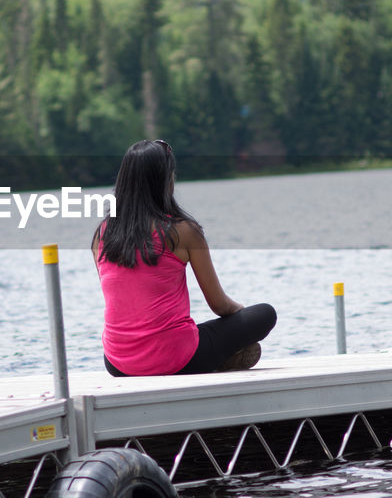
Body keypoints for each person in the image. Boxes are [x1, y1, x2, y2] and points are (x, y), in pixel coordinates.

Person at [92, 139, 277, 377]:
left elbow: (127, 304)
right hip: (174, 358)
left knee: (186, 334)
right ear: (165, 180)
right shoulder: (183, 231)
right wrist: (241, 313)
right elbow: (219, 305)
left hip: (118, 363)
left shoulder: (102, 235)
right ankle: (222, 356)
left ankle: (219, 355)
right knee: (264, 314)